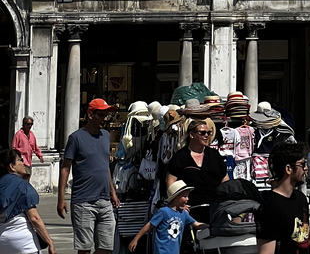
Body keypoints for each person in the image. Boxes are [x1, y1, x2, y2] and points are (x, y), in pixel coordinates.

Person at [58, 98, 120, 254]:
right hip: (83, 201)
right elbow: (66, 168)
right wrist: (61, 199)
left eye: (108, 116)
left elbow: (105, 166)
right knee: (84, 249)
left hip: (104, 200)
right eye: (102, 115)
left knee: (106, 247)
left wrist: (113, 193)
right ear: (90, 115)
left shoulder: (105, 136)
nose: (105, 119)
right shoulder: (76, 138)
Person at [165, 118, 228, 225]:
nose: (206, 135)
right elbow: (170, 182)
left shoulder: (214, 155)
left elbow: (225, 179)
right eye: (203, 133)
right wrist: (178, 203)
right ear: (192, 134)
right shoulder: (180, 157)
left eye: (208, 133)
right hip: (189, 209)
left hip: (214, 208)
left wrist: (225, 201)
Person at [256, 143, 310, 254]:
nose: (306, 168)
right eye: (302, 164)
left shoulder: (301, 199)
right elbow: (266, 251)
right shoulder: (270, 206)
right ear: (288, 169)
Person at [0, 147, 57, 254]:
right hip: (24, 243)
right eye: (20, 160)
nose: (23, 162)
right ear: (12, 167)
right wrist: (50, 243)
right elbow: (35, 218)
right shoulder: (22, 185)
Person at [128, 179, 200, 254]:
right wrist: (136, 239)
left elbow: (197, 224)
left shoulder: (183, 213)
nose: (187, 199)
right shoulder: (164, 211)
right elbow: (149, 225)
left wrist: (211, 227)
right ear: (176, 198)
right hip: (162, 251)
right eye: (185, 196)